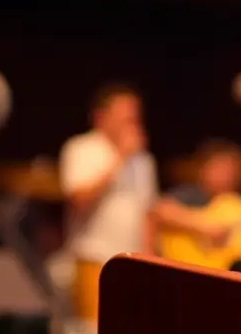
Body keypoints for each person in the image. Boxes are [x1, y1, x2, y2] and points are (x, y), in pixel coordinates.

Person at [60, 83, 158, 326]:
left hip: (133, 262)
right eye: (124, 114)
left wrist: (150, 261)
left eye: (135, 114)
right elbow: (79, 199)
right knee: (95, 328)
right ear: (101, 117)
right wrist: (121, 157)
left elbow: (147, 212)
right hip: (94, 258)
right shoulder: (81, 148)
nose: (132, 120)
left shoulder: (143, 159)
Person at [150, 139, 241, 281]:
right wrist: (205, 227)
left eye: (231, 169)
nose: (227, 175)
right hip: (188, 271)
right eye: (220, 167)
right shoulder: (192, 194)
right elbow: (159, 211)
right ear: (205, 169)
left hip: (234, 271)